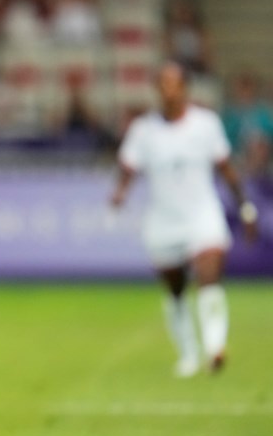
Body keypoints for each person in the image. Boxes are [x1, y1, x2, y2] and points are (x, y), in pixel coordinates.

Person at [110, 62, 258, 377]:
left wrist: (245, 208)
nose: (168, 90)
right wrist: (120, 193)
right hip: (163, 222)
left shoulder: (206, 125)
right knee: (176, 291)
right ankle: (188, 354)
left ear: (185, 88)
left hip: (202, 216)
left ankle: (215, 347)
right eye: (162, 83)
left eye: (173, 83)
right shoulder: (143, 131)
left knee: (208, 276)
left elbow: (227, 170)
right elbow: (128, 168)